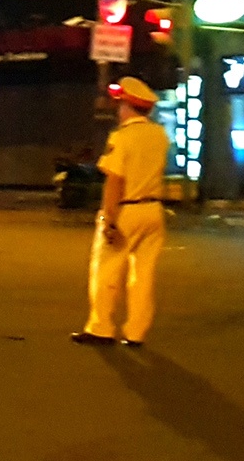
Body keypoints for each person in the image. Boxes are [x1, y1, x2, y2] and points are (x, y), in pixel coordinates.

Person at [72, 77, 171, 347]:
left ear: (127, 106)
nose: (118, 110)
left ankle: (101, 328)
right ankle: (136, 332)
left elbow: (114, 181)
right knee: (144, 276)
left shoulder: (122, 137)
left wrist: (109, 219)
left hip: (127, 210)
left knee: (107, 271)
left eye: (120, 104)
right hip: (153, 209)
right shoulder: (159, 135)